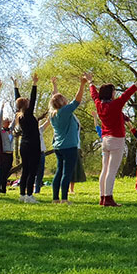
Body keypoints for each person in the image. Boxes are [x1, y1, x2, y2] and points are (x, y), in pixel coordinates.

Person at [91, 72, 137, 207]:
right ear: (110, 93)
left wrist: (90, 82)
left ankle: (102, 197)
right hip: (116, 139)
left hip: (105, 140)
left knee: (104, 170)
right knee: (111, 170)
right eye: (114, 91)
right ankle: (108, 198)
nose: (115, 93)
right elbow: (127, 94)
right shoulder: (115, 104)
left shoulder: (99, 104)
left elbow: (94, 95)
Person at [49, 74, 89, 204]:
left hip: (58, 147)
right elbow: (77, 100)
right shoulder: (65, 111)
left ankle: (55, 199)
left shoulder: (53, 114)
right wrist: (82, 84)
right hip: (69, 147)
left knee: (59, 172)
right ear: (63, 103)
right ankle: (64, 199)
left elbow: (54, 100)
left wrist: (54, 87)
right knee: (67, 173)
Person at [13, 75, 42, 203]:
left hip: (23, 145)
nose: (30, 102)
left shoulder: (19, 115)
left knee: (25, 170)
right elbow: (33, 98)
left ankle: (22, 195)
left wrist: (16, 87)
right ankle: (29, 195)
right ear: (26, 105)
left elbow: (18, 100)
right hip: (33, 145)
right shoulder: (28, 115)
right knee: (32, 171)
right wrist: (34, 84)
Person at [0, 117, 14, 194]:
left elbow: (14, 123)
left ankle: (4, 188)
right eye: (6, 122)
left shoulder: (10, 131)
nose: (8, 123)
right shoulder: (1, 131)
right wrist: (2, 109)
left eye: (8, 122)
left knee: (6, 172)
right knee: (1, 172)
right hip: (3, 154)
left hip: (10, 153)